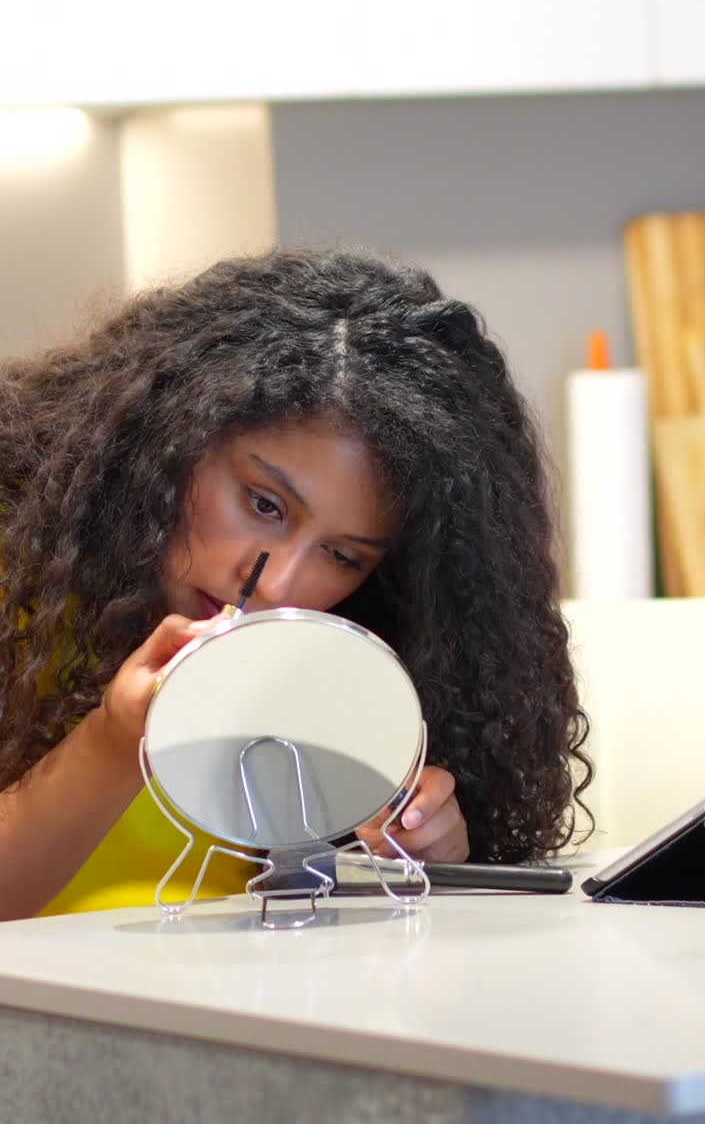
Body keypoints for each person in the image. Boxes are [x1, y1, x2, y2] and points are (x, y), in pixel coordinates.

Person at [0, 247, 591, 919]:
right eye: (264, 504)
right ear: (166, 434)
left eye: (342, 555)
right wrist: (113, 744)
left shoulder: (327, 662)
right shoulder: (17, 573)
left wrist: (429, 853)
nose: (279, 583)